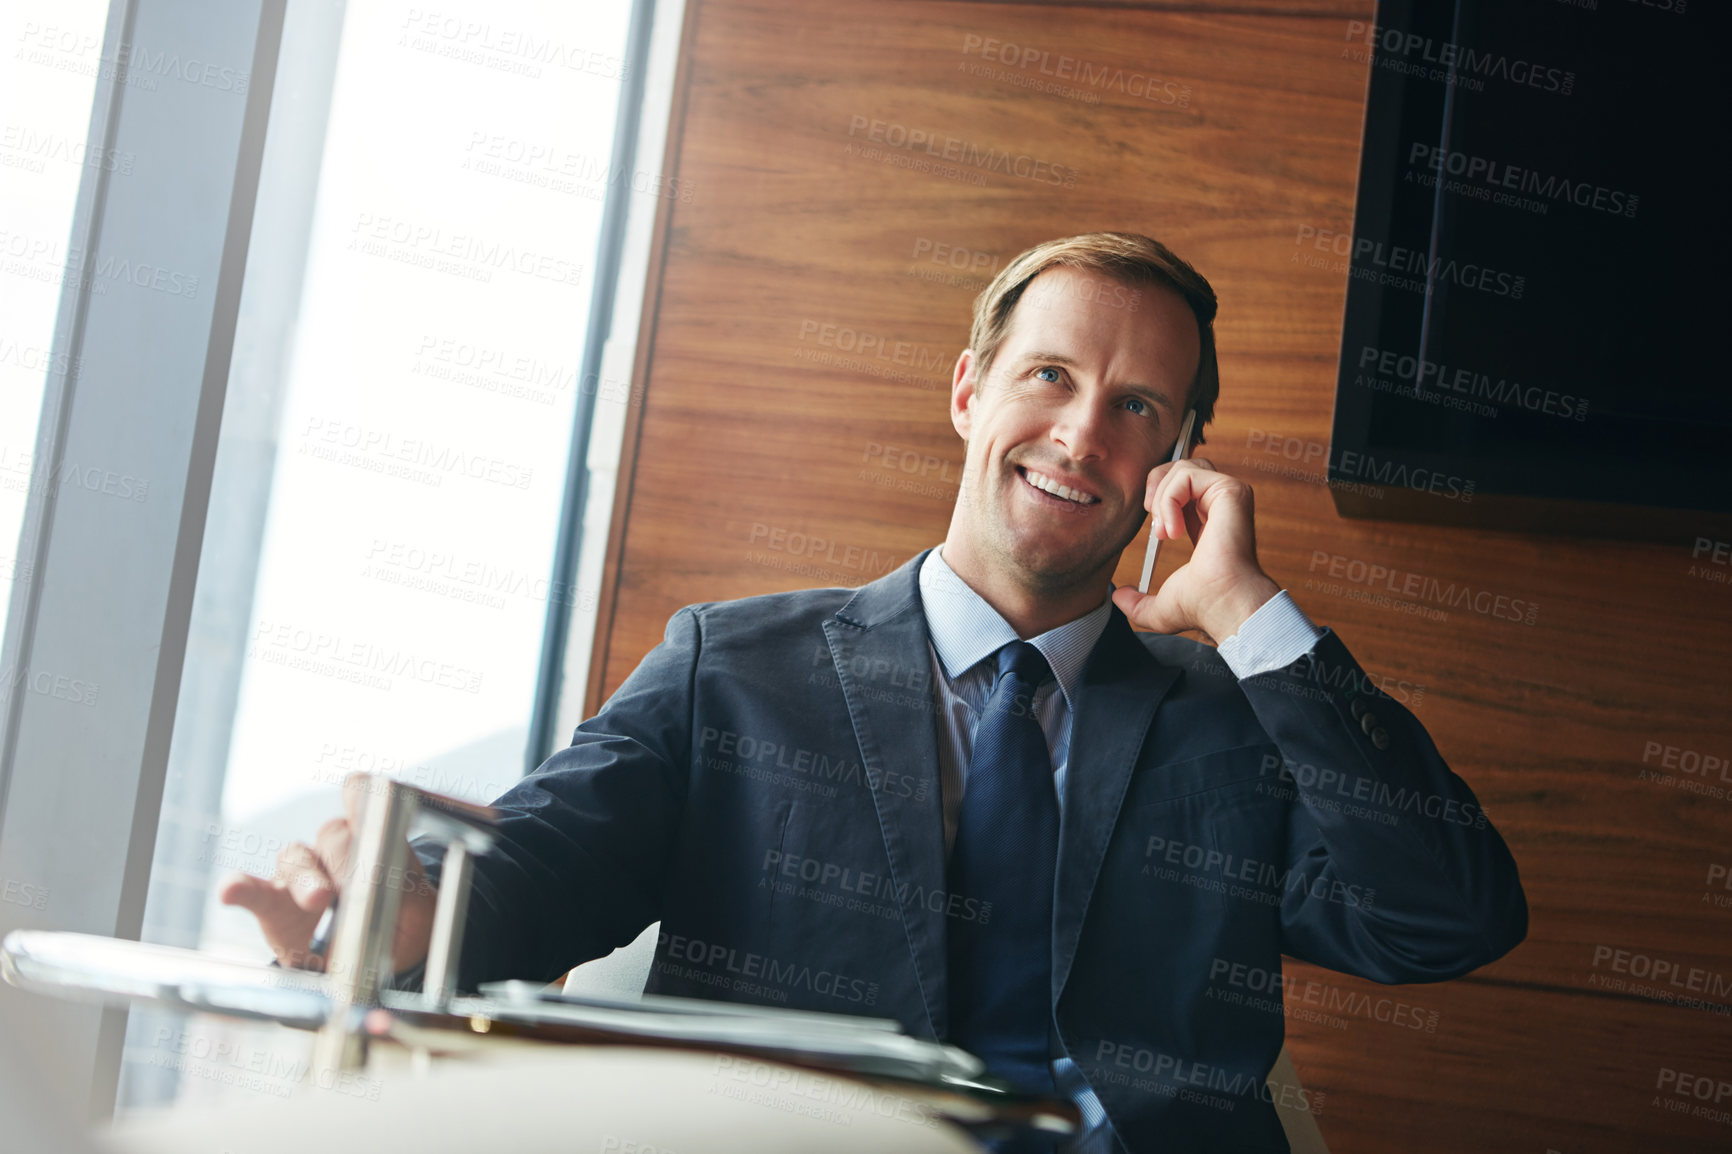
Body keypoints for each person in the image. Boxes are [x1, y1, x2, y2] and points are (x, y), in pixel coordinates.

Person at [223, 232, 1527, 1152]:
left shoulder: (1230, 719)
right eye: (1051, 377)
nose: (1083, 435)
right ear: (970, 392)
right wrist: (401, 917)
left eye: (1139, 407)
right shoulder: (731, 667)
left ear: (1171, 467)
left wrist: (1248, 612)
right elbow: (543, 872)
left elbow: (1445, 916)